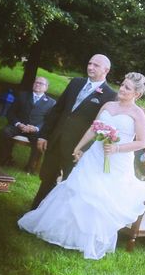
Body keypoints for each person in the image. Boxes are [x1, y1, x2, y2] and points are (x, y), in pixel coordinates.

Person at [18, 73, 145, 259]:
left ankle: (86, 237)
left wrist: (117, 148)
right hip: (95, 155)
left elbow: (141, 142)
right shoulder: (108, 105)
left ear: (137, 94)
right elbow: (94, 128)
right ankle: (59, 228)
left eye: (127, 88)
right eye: (122, 85)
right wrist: (78, 147)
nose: (122, 90)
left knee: (100, 195)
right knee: (76, 188)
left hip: (117, 160)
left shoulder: (137, 114)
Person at [31, 55, 117, 209]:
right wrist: (44, 135)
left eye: (96, 65)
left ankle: (59, 216)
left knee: (69, 185)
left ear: (106, 70)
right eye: (89, 63)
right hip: (57, 139)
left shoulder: (110, 95)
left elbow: (101, 127)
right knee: (47, 178)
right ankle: (35, 211)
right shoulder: (76, 83)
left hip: (77, 147)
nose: (90, 67)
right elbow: (57, 110)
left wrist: (84, 149)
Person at [0, 77, 56, 171]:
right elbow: (11, 112)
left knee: (39, 141)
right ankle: (6, 159)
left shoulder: (51, 102)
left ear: (46, 87)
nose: (37, 84)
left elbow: (48, 121)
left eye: (41, 83)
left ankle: (30, 167)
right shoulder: (22, 95)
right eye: (36, 82)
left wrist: (36, 128)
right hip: (18, 126)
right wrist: (18, 124)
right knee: (4, 132)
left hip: (35, 130)